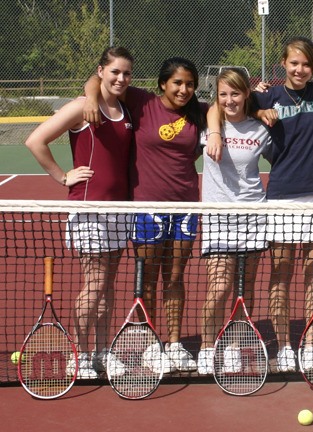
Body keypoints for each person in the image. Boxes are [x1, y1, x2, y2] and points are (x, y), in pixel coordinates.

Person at [207, 37, 313, 373]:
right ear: (283, 63)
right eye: (294, 63)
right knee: (280, 275)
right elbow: (219, 103)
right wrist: (217, 133)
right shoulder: (267, 96)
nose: (300, 69)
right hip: (280, 194)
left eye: (306, 64)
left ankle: (310, 344)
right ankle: (284, 346)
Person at [84, 57, 208, 373]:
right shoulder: (142, 101)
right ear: (163, 83)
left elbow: (233, 106)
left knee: (176, 277)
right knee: (148, 280)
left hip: (184, 208)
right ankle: (152, 344)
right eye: (178, 82)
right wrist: (89, 97)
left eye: (190, 84)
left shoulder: (199, 112)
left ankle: (175, 344)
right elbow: (98, 83)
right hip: (146, 209)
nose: (184, 89)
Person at [25, 46, 134, 378]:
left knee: (110, 286)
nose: (121, 78)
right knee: (94, 283)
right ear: (100, 71)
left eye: (126, 73)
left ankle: (103, 351)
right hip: (89, 209)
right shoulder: (81, 107)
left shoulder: (126, 109)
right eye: (114, 71)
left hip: (121, 209)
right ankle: (81, 353)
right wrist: (63, 176)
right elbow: (35, 140)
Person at [197, 68, 272, 375]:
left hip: (253, 215)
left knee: (246, 287)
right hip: (217, 218)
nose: (229, 100)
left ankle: (234, 346)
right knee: (219, 287)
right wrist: (215, 129)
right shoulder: (209, 123)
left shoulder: (260, 128)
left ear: (246, 95)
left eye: (235, 94)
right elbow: (213, 110)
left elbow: (282, 158)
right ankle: (206, 346)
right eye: (223, 94)